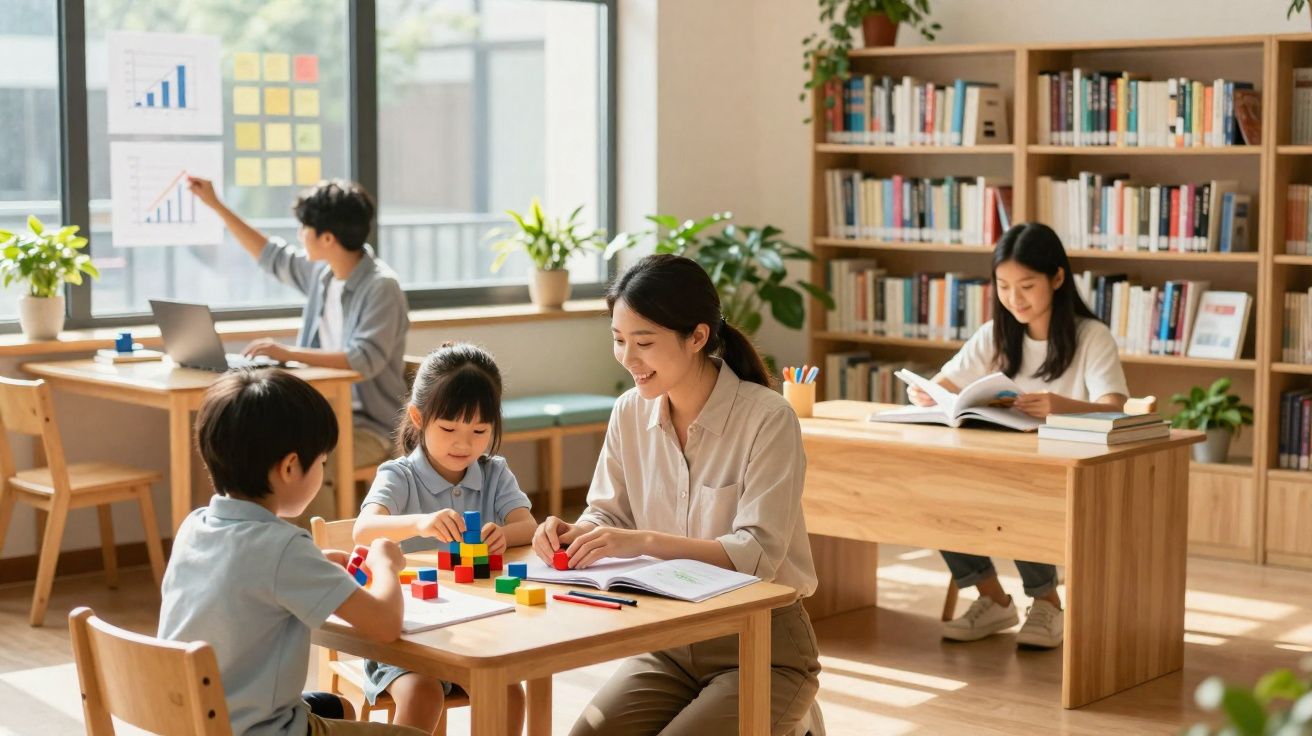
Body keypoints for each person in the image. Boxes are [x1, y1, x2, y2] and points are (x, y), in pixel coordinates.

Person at [531, 254, 822, 735]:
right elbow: (607, 514)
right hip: (669, 643)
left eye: (644, 342)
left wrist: (643, 542)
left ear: (698, 337)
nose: (628, 358)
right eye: (619, 340)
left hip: (762, 649)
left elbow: (757, 555)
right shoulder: (629, 413)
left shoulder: (767, 418)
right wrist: (575, 533)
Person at [158, 369, 426, 736]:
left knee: (338, 707)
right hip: (259, 731)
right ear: (288, 467)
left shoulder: (195, 526)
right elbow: (385, 624)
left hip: (192, 722)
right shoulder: (283, 549)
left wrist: (313, 562)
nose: (322, 469)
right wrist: (385, 566)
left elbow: (255, 575)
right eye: (321, 462)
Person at [906, 222, 1129, 649]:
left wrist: (1062, 405)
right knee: (935, 490)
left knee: (1017, 491)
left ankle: (1047, 604)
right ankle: (993, 599)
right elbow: (947, 383)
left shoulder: (1090, 336)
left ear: (1057, 278)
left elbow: (1115, 406)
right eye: (1004, 287)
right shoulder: (995, 335)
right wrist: (928, 392)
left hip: (1067, 476)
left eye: (1027, 286)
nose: (1014, 299)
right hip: (999, 465)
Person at [189, 176, 408, 522]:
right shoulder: (323, 275)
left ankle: (316, 556)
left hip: (370, 426)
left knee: (307, 462)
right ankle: (264, 548)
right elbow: (270, 255)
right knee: (257, 450)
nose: (299, 234)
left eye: (304, 227)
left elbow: (364, 360)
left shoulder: (381, 287)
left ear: (327, 238)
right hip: (321, 415)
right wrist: (216, 205)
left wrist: (288, 353)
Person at [353, 342, 535, 732]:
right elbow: (363, 530)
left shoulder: (494, 472)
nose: (463, 444)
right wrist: (420, 524)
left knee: (509, 692)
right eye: (449, 428)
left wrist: (502, 533)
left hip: (476, 631)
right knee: (423, 694)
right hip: (404, 636)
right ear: (418, 418)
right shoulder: (398, 475)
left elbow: (529, 526)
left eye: (479, 431)